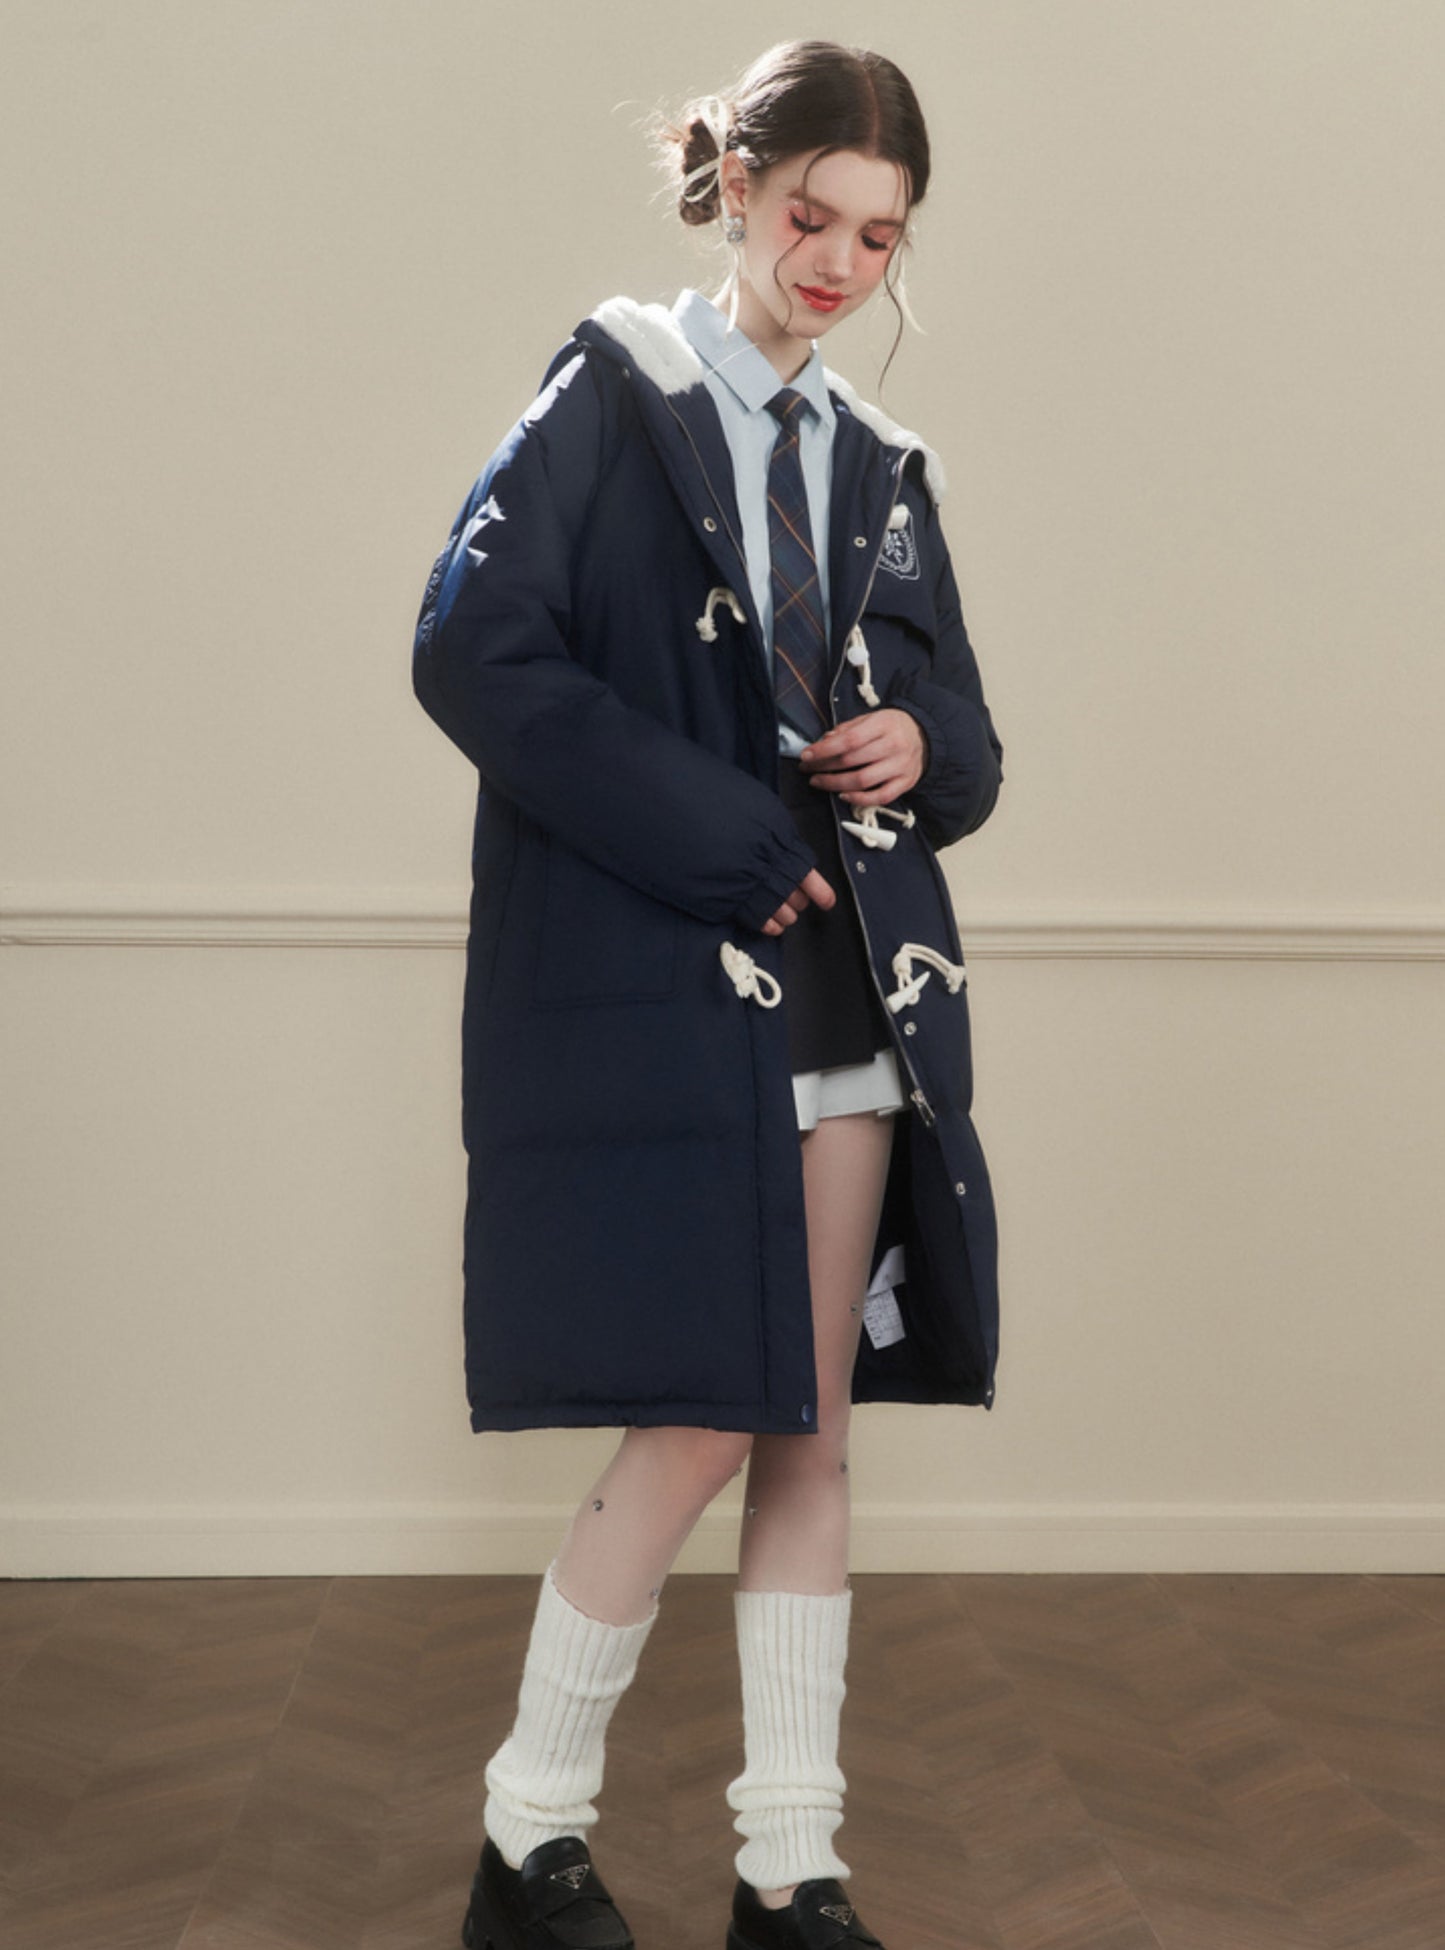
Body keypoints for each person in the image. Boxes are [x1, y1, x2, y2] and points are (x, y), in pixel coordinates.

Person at [412, 38, 1005, 1950]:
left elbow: (968, 743)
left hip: (850, 1004)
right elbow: (472, 649)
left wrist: (923, 742)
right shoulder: (616, 393)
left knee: (808, 1428)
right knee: (694, 1423)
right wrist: (722, 835)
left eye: (877, 236)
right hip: (679, 986)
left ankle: (789, 1867)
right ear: (737, 188)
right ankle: (526, 1836)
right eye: (811, 214)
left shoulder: (881, 463)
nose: (837, 262)